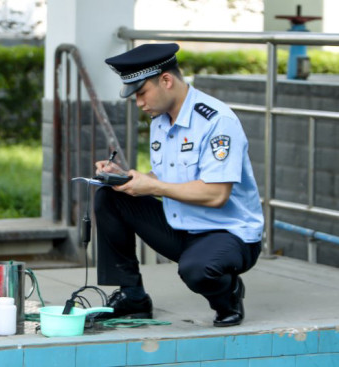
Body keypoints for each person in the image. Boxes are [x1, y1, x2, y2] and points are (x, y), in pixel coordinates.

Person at [94, 43, 264, 327]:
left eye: (141, 93)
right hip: (181, 226)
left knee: (196, 270)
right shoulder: (160, 121)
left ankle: (229, 295)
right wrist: (127, 177)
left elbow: (216, 194)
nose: (139, 103)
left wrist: (153, 188)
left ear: (166, 80)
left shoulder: (217, 121)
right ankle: (132, 295)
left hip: (228, 234)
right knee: (109, 197)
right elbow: (169, 178)